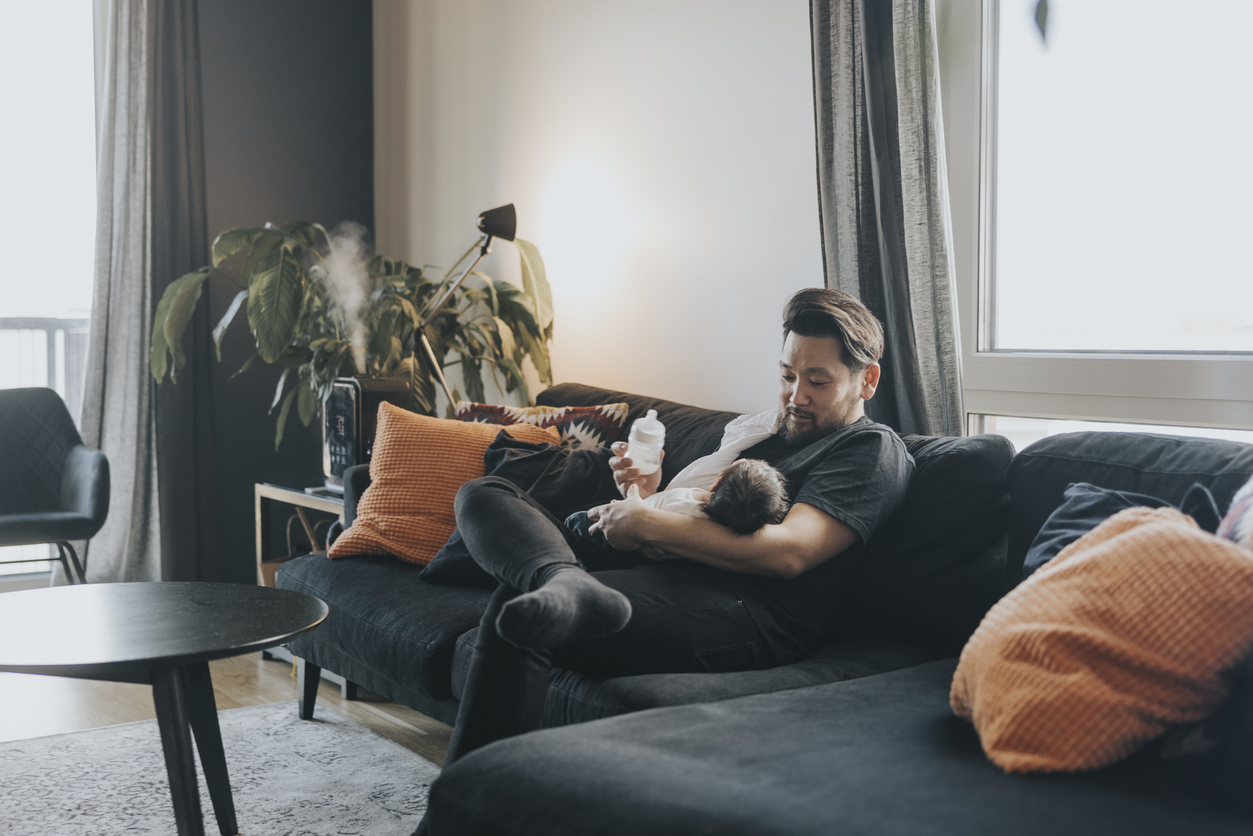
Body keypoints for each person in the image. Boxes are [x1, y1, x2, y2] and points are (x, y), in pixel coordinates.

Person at [435, 287, 915, 773]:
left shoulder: (870, 449)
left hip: (749, 611)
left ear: (867, 380)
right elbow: (692, 510)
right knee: (481, 495)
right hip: (670, 571)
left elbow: (789, 552)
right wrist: (642, 493)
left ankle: (459, 816)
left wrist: (648, 522)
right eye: (788, 375)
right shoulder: (764, 433)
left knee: (519, 610)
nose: (797, 396)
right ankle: (565, 580)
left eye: (818, 381)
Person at [564, 457, 791, 560]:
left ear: (717, 483)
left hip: (613, 531)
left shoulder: (686, 498)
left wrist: (625, 505)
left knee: (576, 520)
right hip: (640, 553)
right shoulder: (714, 533)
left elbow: (642, 513)